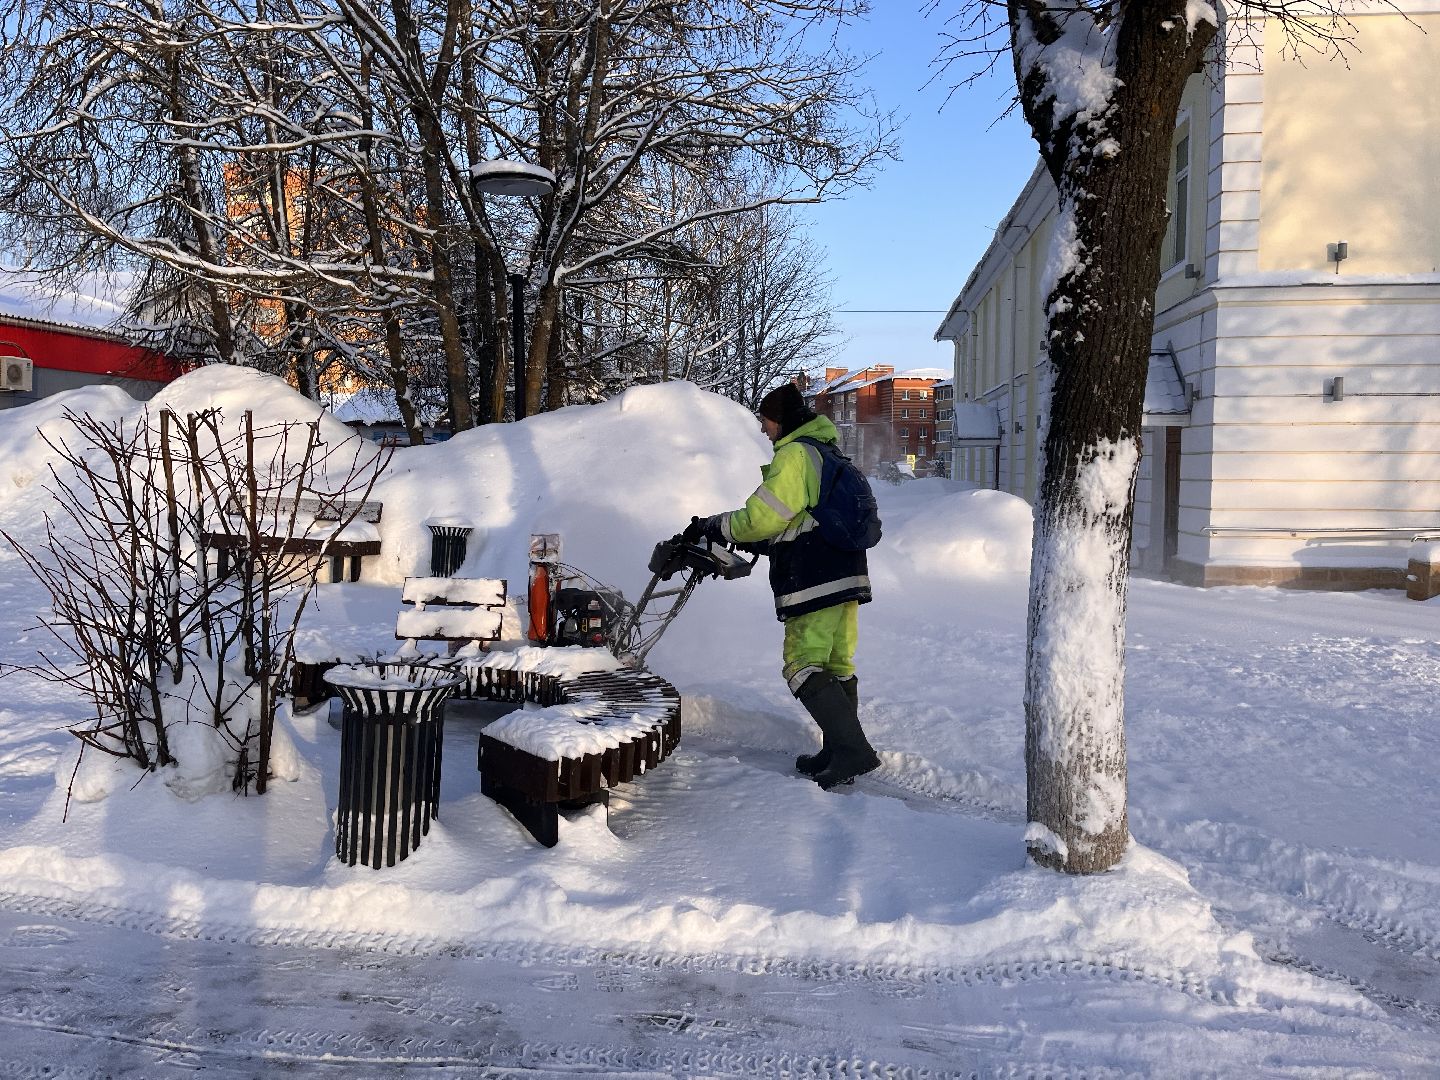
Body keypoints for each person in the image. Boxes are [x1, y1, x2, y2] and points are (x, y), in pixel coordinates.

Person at [684, 382, 880, 790]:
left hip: (814, 576)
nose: (762, 429)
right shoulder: (827, 452)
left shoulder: (794, 455)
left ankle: (853, 750)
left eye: (765, 420)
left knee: (801, 663)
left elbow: (764, 517)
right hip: (847, 572)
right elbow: (801, 517)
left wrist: (717, 525)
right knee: (835, 663)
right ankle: (837, 750)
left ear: (781, 419)